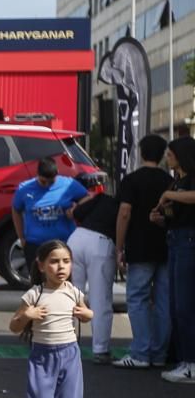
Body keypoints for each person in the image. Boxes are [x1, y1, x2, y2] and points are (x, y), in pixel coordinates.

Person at [8, 240, 94, 398]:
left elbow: (87, 314)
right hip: (42, 358)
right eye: (54, 262)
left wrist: (87, 315)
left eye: (66, 261)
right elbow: (14, 326)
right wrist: (27, 316)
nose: (61, 267)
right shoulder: (34, 294)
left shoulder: (74, 292)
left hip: (70, 355)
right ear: (42, 265)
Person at [113, 134, 172, 369]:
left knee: (137, 298)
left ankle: (140, 353)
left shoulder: (132, 180)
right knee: (164, 301)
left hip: (139, 246)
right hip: (166, 246)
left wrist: (119, 246)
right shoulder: (170, 180)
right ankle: (159, 354)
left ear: (141, 152)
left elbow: (125, 212)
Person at [153, 136, 195, 383]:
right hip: (176, 239)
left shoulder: (187, 180)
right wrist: (160, 217)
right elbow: (174, 213)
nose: (167, 156)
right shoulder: (177, 181)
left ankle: (190, 362)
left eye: (170, 153)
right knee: (175, 304)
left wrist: (169, 194)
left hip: (188, 242)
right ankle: (184, 360)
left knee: (184, 305)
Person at [11, 158, 90, 283]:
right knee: (39, 286)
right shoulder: (24, 189)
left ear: (57, 174)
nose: (47, 185)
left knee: (64, 285)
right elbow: (16, 210)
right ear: (37, 175)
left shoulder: (68, 185)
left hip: (63, 244)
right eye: (43, 182)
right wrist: (21, 237)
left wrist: (76, 208)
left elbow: (88, 197)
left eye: (51, 182)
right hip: (36, 244)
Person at [68, 178, 119, 364]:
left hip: (76, 239)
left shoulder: (101, 198)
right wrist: (120, 249)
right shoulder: (125, 206)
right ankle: (100, 349)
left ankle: (65, 344)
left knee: (71, 296)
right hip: (101, 244)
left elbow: (78, 212)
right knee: (100, 299)